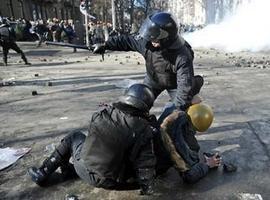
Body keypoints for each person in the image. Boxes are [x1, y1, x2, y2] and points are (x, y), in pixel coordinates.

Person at [28, 84, 157, 195]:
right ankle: (66, 170)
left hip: (83, 169)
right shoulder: (144, 130)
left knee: (75, 136)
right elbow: (145, 164)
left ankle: (43, 172)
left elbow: (92, 142)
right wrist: (147, 188)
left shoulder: (103, 113)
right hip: (110, 182)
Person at [93, 12, 203, 111]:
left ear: (166, 38)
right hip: (153, 80)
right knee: (136, 106)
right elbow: (127, 41)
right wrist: (106, 45)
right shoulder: (146, 43)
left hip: (175, 84)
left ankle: (194, 88)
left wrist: (175, 112)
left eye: (155, 39)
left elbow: (184, 89)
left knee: (181, 112)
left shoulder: (182, 56)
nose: (151, 41)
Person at [154, 103, 221, 183]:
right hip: (152, 167)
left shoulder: (172, 110)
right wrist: (207, 165)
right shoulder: (179, 140)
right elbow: (190, 176)